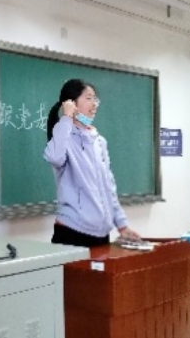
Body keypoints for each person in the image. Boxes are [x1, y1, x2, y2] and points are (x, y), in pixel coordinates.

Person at [43, 78, 140, 247]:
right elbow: (55, 157)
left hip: (100, 232)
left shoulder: (99, 142)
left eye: (95, 99)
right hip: (72, 231)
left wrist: (122, 225)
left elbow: (108, 187)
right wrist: (66, 117)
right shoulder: (63, 138)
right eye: (88, 98)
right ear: (71, 103)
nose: (94, 104)